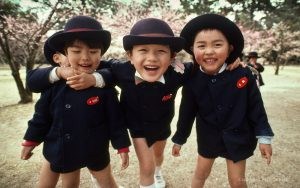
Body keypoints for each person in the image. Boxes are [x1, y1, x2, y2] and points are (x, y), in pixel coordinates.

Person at [25, 18, 242, 188]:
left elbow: (205, 66)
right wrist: (92, 78)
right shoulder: (121, 70)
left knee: (158, 156)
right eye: (143, 51)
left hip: (162, 123)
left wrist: (233, 61)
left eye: (160, 52)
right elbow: (103, 69)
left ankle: (158, 171)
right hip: (136, 125)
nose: (152, 58)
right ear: (130, 55)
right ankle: (150, 177)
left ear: (172, 57)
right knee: (146, 166)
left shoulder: (179, 73)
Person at [21, 15, 131, 188]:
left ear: (101, 54)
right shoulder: (53, 86)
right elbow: (41, 116)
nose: (86, 57)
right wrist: (31, 140)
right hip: (61, 147)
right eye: (76, 51)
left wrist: (122, 146)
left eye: (93, 51)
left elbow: (115, 121)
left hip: (95, 149)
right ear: (65, 54)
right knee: (68, 183)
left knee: (107, 182)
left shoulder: (104, 87)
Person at [171, 14, 274, 188]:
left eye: (217, 45)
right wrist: (180, 138)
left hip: (238, 135)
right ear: (192, 49)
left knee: (237, 181)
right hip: (208, 137)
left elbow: (256, 107)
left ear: (230, 48)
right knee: (200, 174)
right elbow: (186, 111)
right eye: (201, 46)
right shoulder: (191, 76)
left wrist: (264, 137)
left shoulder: (243, 73)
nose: (209, 51)